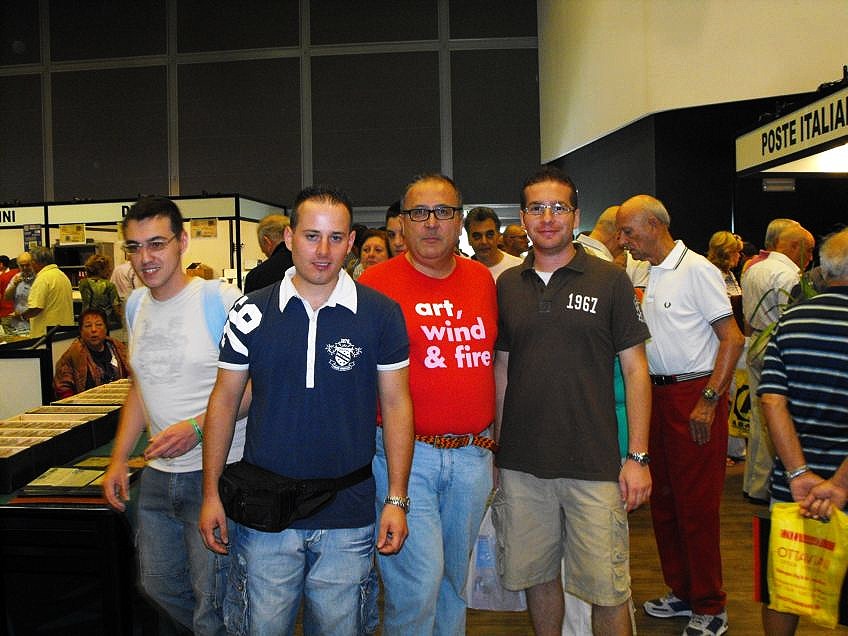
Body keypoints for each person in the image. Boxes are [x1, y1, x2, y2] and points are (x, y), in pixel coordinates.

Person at [199, 185, 414, 635]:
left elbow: (397, 405)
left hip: (348, 512)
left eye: (335, 238)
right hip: (265, 513)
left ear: (350, 242)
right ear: (289, 238)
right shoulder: (250, 312)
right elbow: (224, 401)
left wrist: (396, 499)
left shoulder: (380, 314)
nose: (323, 251)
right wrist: (211, 493)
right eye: (311, 236)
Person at [493, 168, 651, 636]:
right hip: (524, 466)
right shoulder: (507, 285)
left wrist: (638, 456)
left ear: (576, 216)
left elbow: (636, 370)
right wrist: (498, 450)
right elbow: (502, 370)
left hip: (595, 464)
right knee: (537, 578)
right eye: (537, 208)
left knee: (607, 589)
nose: (547, 218)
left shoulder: (611, 280)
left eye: (558, 207)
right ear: (523, 217)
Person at [102, 195, 247, 635]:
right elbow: (140, 387)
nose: (145, 258)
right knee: (157, 585)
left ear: (182, 242)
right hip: (159, 477)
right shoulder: (135, 306)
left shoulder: (220, 300)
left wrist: (199, 428)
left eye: (156, 244)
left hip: (217, 472)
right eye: (134, 247)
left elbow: (257, 386)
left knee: (213, 596)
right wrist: (118, 458)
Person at [359, 173, 497, 636]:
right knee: (415, 588)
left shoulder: (482, 280)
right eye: (419, 213)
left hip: (473, 455)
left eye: (444, 212)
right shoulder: (374, 285)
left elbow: (495, 364)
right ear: (402, 222)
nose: (432, 222)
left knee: (455, 583)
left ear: (459, 220)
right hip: (405, 457)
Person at [617, 194, 744, 636]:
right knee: (665, 502)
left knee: (696, 507)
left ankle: (711, 604)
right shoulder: (643, 272)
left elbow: (732, 339)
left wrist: (709, 399)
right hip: (655, 395)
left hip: (694, 394)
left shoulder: (698, 270)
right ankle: (683, 591)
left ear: (654, 225)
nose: (623, 240)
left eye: (628, 231)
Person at [757, 227, 848, 635]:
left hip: (792, 485)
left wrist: (798, 474)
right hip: (843, 482)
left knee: (783, 583)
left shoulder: (791, 320)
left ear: (825, 271)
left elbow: (772, 400)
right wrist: (840, 484)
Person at [741, 221, 814, 502]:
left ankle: (754, 483)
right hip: (777, 345)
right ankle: (766, 484)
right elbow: (793, 318)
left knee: (758, 416)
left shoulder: (753, 269)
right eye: (808, 250)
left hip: (755, 342)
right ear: (794, 246)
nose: (809, 257)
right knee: (776, 416)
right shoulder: (789, 275)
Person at [53, 307, 130, 399]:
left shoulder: (119, 348)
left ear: (106, 328)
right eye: (88, 326)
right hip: (86, 404)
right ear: (81, 331)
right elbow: (62, 388)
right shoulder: (72, 355)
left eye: (98, 325)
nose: (93, 330)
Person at [15, 246, 74, 337]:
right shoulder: (61, 275)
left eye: (31, 263)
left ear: (35, 262)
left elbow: (36, 308)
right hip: (64, 331)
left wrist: (21, 316)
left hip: (47, 333)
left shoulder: (42, 279)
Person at [464, 206, 522, 280]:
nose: (484, 241)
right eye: (477, 236)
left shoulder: (518, 268)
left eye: (489, 235)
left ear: (498, 236)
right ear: (469, 239)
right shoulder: (461, 271)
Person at [243, 213, 293, 293]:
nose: (265, 254)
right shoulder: (305, 266)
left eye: (265, 252)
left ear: (266, 241)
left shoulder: (256, 276)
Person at [79, 253, 122, 328]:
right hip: (105, 321)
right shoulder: (109, 285)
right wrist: (121, 321)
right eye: (108, 267)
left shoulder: (83, 283)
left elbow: (86, 304)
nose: (110, 270)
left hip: (88, 320)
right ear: (102, 269)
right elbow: (116, 308)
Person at [4, 252, 35, 331]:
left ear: (33, 263)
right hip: (18, 325)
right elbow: (7, 297)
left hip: (34, 323)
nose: (24, 268)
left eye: (27, 265)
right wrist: (14, 285)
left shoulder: (39, 277)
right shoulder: (16, 277)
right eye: (22, 265)